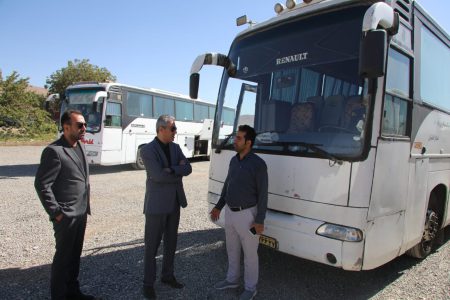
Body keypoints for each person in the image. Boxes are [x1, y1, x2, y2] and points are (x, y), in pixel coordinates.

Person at [34, 109, 99, 300]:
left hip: (80, 213)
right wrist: (56, 212)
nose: (84, 128)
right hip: (66, 215)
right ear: (66, 127)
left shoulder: (79, 146)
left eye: (85, 124)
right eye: (80, 125)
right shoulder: (54, 151)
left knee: (74, 258)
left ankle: (73, 292)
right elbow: (42, 184)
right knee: (63, 260)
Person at [210, 125, 268, 300]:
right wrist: (219, 206)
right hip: (230, 214)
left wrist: (259, 220)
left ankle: (251, 288)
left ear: (248, 142)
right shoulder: (234, 160)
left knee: (250, 254)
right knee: (232, 249)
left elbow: (263, 195)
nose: (235, 141)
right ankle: (232, 279)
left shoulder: (258, 164)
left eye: (239, 138)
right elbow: (227, 185)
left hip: (248, 217)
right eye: (236, 137)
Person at [141, 115, 192, 299]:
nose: (175, 132)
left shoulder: (176, 148)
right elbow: (157, 176)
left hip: (174, 204)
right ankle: (148, 284)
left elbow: (188, 168)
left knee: (171, 244)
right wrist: (176, 170)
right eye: (172, 128)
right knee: (151, 247)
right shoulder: (148, 150)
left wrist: (171, 169)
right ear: (161, 129)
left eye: (175, 128)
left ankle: (167, 276)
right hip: (156, 206)